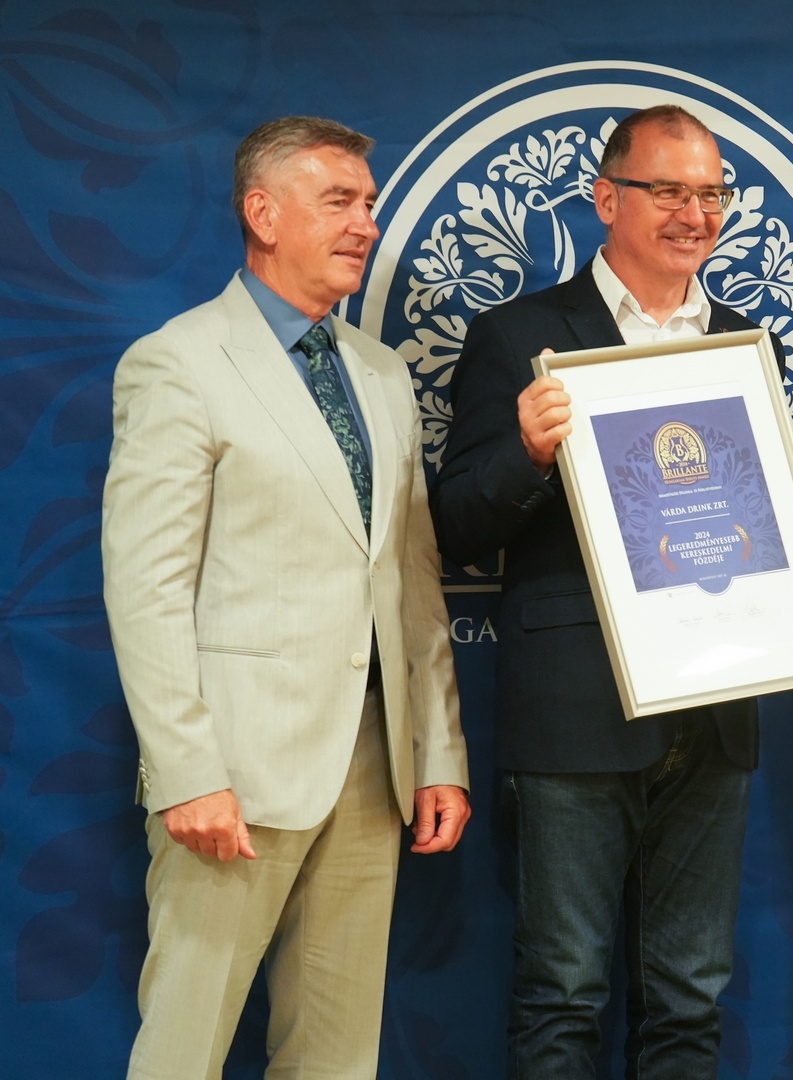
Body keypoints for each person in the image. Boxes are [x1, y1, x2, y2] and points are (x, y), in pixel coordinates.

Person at [430, 104, 793, 1080]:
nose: (696, 214)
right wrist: (526, 454)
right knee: (562, 994)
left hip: (717, 712)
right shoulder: (519, 336)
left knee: (690, 998)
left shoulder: (743, 341)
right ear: (607, 199)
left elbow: (783, 519)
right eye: (670, 191)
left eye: (712, 194)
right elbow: (456, 528)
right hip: (575, 715)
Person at [103, 116, 470, 1079]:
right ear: (262, 214)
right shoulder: (178, 362)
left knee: (337, 1060)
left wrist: (437, 753)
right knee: (183, 1051)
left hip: (373, 765)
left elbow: (412, 582)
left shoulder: (383, 376)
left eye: (370, 203)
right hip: (233, 771)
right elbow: (145, 590)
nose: (366, 223)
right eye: (339, 201)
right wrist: (186, 770)